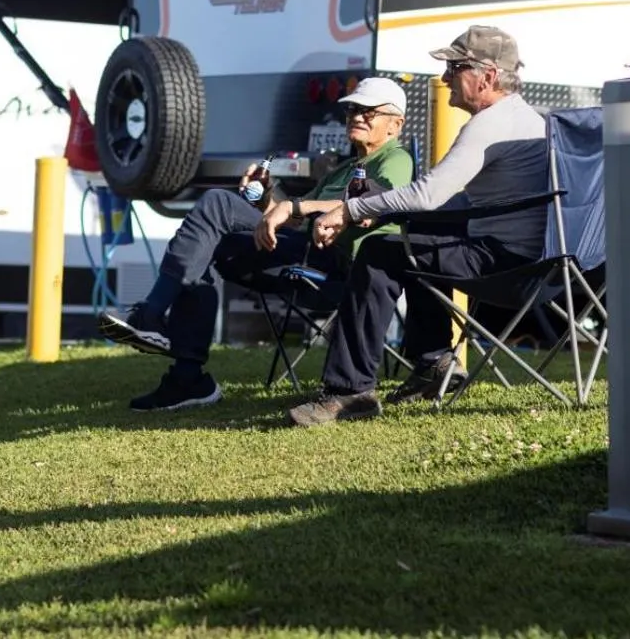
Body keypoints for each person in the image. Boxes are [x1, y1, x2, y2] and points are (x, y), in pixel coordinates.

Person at [97, 77, 415, 412]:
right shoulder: (346, 167)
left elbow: (374, 204)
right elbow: (292, 217)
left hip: (337, 262)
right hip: (302, 247)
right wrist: (267, 198)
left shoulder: (395, 159)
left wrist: (294, 207)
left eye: (368, 112)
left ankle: (152, 316)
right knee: (206, 242)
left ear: (395, 124)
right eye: (352, 109)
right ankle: (187, 376)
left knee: (217, 204)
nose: (356, 116)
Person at [286, 25, 550, 427]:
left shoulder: (489, 124)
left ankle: (350, 391)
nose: (444, 79)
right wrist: (388, 208)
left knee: (380, 251)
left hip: (503, 268)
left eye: (455, 67)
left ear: (489, 76)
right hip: (545, 268)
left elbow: (429, 194)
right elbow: (454, 202)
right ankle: (433, 363)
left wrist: (349, 211)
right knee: (418, 242)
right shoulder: (532, 120)